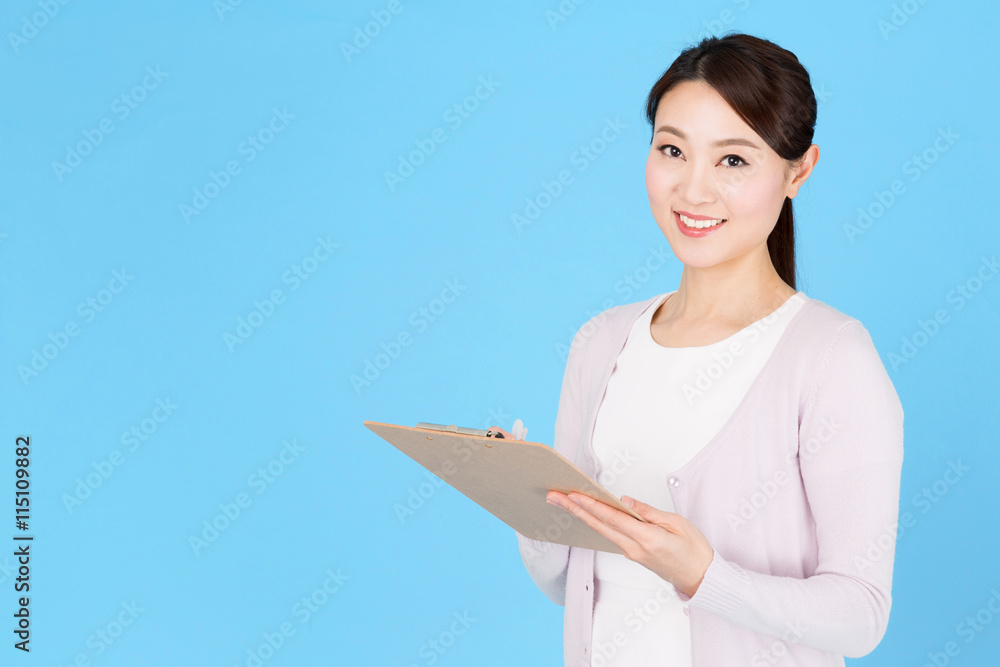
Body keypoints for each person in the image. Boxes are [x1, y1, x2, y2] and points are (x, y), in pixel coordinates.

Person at [506, 33, 905, 666]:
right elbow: (569, 584)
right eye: (672, 150)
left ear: (799, 170)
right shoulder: (600, 341)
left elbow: (860, 617)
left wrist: (704, 575)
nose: (693, 191)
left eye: (733, 160)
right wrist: (525, 498)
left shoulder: (832, 358)